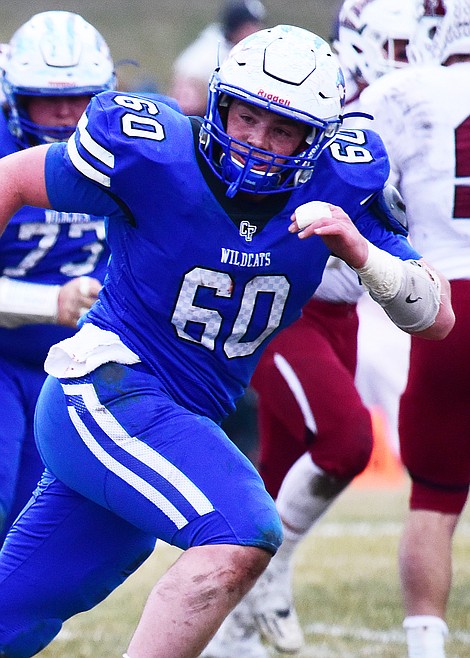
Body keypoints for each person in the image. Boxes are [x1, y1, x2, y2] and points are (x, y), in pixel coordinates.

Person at [0, 24, 454, 658]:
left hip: (177, 413)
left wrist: (361, 253)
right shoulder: (156, 156)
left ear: (317, 139)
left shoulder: (340, 187)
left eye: (283, 130)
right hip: (106, 388)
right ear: (220, 104)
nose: (257, 143)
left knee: (16, 614)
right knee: (241, 530)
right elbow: (14, 179)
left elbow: (436, 316)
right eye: (247, 117)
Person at [201, 3, 424, 656]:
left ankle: (229, 633)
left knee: (277, 470)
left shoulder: (418, 107)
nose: (411, 60)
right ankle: (271, 575)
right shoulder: (326, 108)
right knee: (347, 442)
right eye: (400, 46)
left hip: (344, 309)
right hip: (285, 302)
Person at [357, 1, 470, 655]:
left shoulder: (399, 92)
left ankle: (426, 645)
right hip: (444, 296)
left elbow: (365, 191)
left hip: (446, 302)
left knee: (434, 498)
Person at [0, 11, 114, 546]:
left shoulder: (132, 156)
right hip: (4, 358)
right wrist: (51, 303)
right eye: (46, 99)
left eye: (81, 98)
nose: (66, 114)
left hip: (73, 370)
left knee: (33, 528)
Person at [169, 0, 266, 116]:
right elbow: (186, 106)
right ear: (236, 27)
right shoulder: (207, 54)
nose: (257, 31)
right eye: (251, 26)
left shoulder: (244, 51)